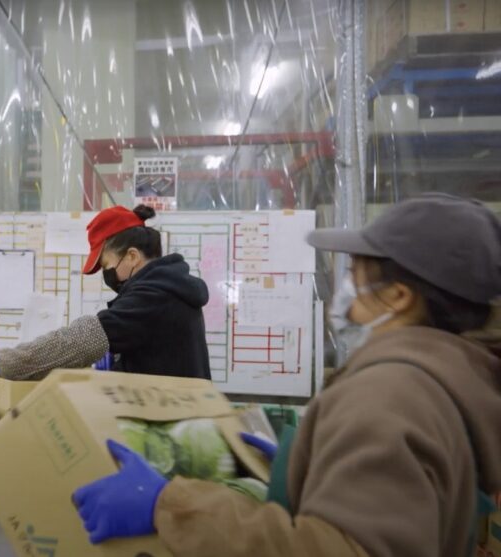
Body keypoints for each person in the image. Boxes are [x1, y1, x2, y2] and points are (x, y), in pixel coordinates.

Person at [71, 194, 501, 557]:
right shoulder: (450, 385)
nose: (346, 293)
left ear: (400, 296)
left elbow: (336, 549)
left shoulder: (387, 397)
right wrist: (310, 469)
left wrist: (169, 504)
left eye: (356, 275)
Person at [0, 205, 210, 388]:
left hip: (173, 428)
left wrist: (8, 364)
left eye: (106, 265)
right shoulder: (170, 287)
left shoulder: (153, 295)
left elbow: (80, 340)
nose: (107, 274)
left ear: (132, 256)